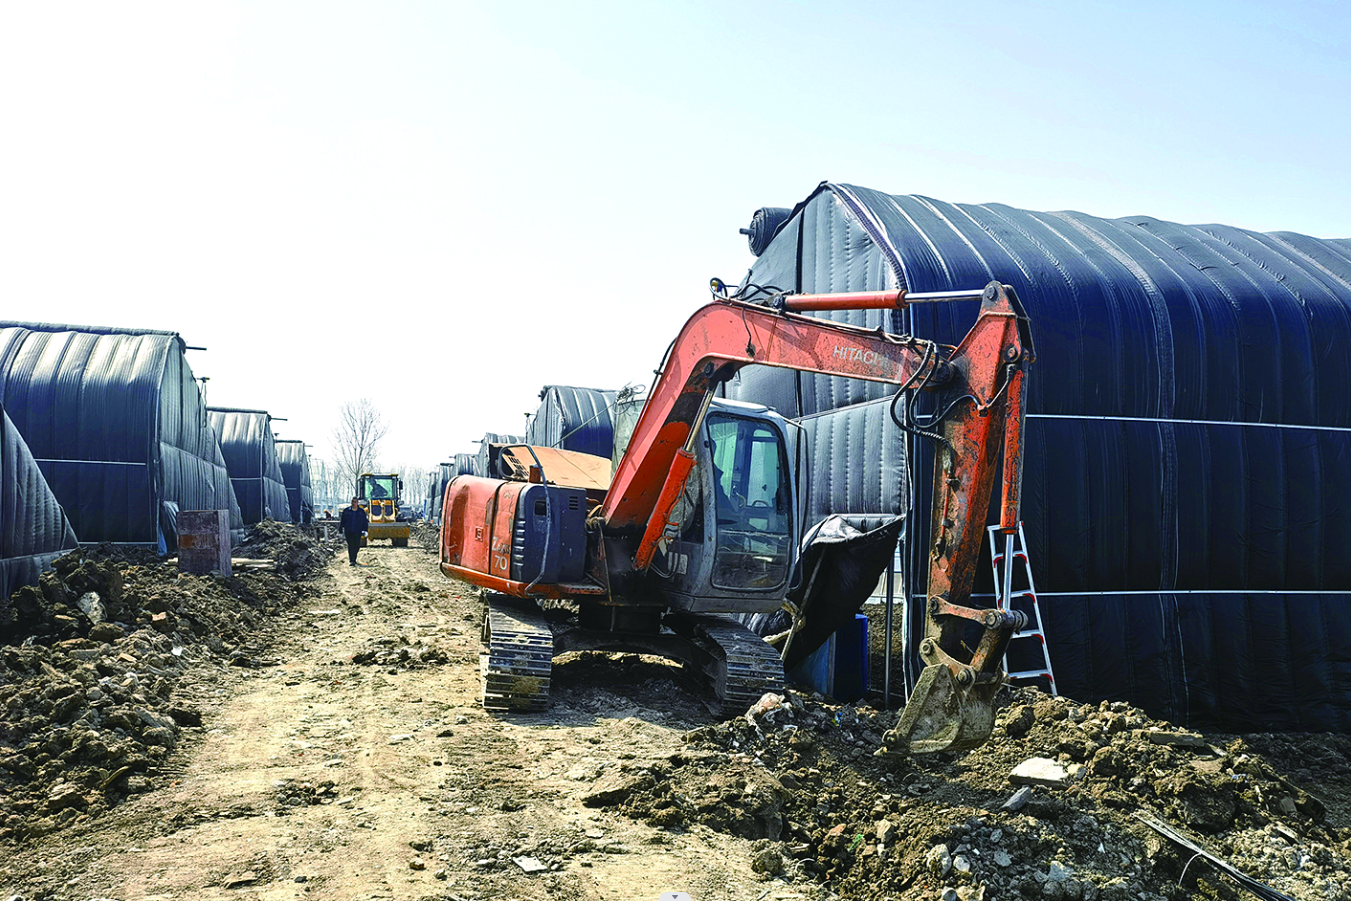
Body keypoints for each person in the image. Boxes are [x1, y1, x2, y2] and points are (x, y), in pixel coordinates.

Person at [338, 497, 369, 566]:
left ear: (357, 503)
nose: (354, 503)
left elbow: (365, 522)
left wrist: (365, 530)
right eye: (353, 502)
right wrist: (340, 529)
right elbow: (342, 520)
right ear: (351, 502)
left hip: (358, 531)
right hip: (348, 531)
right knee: (351, 545)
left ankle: (354, 557)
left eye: (355, 502)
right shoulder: (346, 511)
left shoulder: (361, 512)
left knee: (357, 545)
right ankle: (352, 560)